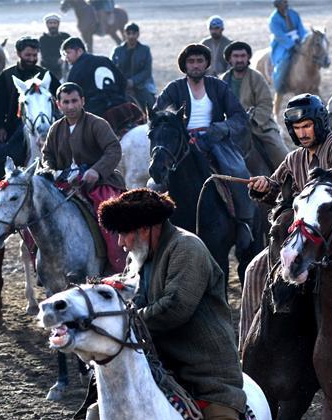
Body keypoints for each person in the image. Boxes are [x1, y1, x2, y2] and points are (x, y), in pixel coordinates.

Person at [95, 188, 259, 420]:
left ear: (146, 228)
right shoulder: (138, 258)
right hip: (158, 368)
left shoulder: (188, 249)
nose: (121, 243)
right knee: (98, 419)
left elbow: (175, 308)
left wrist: (126, 323)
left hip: (206, 368)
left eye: (125, 233)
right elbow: (129, 299)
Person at [242, 93, 332, 339]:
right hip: (300, 240)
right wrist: (265, 187)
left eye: (307, 126)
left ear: (319, 123)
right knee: (254, 270)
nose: (303, 133)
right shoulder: (294, 158)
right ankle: (247, 347)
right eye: (297, 128)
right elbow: (277, 189)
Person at [153, 43, 256, 254]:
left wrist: (220, 129)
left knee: (238, 172)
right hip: (181, 145)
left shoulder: (218, 87)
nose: (196, 65)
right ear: (185, 65)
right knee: (153, 184)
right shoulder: (174, 88)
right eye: (191, 61)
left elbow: (239, 117)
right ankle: (154, 234)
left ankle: (244, 223)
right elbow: (157, 116)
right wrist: (175, 132)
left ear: (206, 64)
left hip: (214, 142)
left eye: (200, 61)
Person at [41, 82, 127, 273]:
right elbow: (47, 156)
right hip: (64, 183)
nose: (70, 106)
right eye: (66, 102)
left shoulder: (97, 123)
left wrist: (96, 170)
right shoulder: (55, 129)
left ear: (82, 101)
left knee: (108, 213)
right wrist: (51, 171)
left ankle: (118, 264)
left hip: (98, 183)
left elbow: (113, 149)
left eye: (74, 101)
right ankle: (43, 267)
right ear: (58, 104)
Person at [221, 41, 288, 175]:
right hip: (232, 128)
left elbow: (266, 103)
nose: (240, 60)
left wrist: (251, 119)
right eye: (236, 56)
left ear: (248, 58)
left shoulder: (256, 77)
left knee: (279, 151)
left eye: (243, 56)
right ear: (229, 59)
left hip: (259, 126)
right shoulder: (223, 79)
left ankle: (290, 178)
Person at [0, 36, 61, 163]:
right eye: (28, 55)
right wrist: (0, 127)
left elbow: (61, 95)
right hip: (15, 125)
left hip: (46, 124)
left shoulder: (45, 75)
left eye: (35, 55)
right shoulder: (6, 76)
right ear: (18, 53)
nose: (32, 59)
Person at [63, 37, 130, 120]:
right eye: (65, 54)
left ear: (79, 51)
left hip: (95, 113)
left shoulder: (75, 70)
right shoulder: (105, 60)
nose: (66, 57)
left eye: (68, 53)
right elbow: (123, 82)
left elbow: (70, 95)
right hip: (122, 107)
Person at [111, 23, 156, 113]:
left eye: (134, 33)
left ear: (138, 34)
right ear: (124, 34)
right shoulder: (117, 50)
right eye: (129, 33)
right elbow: (113, 69)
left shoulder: (145, 50)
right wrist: (123, 82)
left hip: (141, 84)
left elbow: (147, 71)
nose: (131, 36)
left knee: (151, 105)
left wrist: (133, 81)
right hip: (121, 85)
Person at [269, 0, 308, 93]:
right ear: (277, 5)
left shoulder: (294, 14)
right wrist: (292, 45)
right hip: (283, 45)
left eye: (286, 2)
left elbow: (301, 29)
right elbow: (279, 35)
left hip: (298, 40)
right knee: (284, 61)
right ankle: (279, 86)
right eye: (283, 2)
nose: (286, 4)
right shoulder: (273, 19)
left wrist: (303, 39)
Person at [39, 14, 70, 80]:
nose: (53, 25)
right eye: (50, 23)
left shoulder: (65, 37)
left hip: (66, 65)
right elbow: (45, 57)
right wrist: (57, 61)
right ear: (47, 24)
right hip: (49, 68)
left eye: (55, 23)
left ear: (58, 24)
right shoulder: (43, 39)